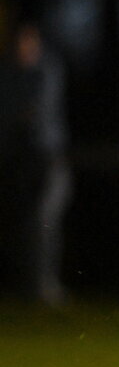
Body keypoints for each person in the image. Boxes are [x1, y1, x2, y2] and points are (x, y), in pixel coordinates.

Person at [0, 20, 72, 307]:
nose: (23, 48)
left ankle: (46, 285)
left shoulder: (47, 70)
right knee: (22, 223)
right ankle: (27, 284)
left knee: (45, 220)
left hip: (49, 160)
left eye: (28, 41)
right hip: (19, 160)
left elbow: (35, 113)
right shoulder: (8, 73)